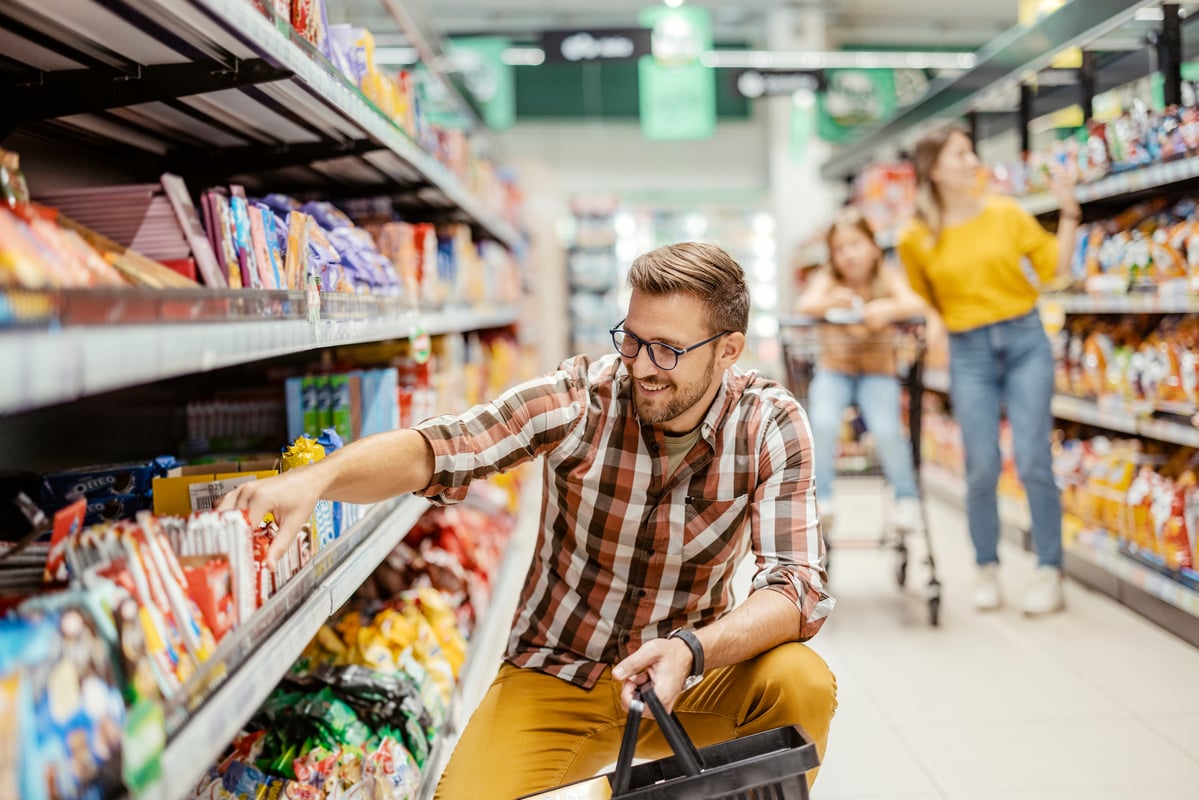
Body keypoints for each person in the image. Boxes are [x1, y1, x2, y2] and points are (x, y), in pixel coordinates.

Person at [218, 242, 837, 799]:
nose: (641, 365)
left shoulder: (768, 425)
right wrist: (316, 478)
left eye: (668, 350)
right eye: (632, 338)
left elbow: (797, 588)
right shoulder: (584, 398)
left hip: (684, 679)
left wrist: (689, 649)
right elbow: (445, 445)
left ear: (728, 350)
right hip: (556, 674)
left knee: (800, 681)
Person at [896, 127, 1080, 615]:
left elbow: (1056, 269)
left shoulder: (1005, 213)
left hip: (1025, 340)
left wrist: (1069, 211)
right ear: (935, 168)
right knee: (980, 466)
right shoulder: (915, 237)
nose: (972, 159)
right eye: (961, 153)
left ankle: (1048, 569)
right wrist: (935, 321)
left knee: (1033, 457)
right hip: (968, 350)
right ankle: (986, 566)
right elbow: (922, 294)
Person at [795, 207, 928, 537]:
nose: (847, 255)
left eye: (855, 244)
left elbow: (916, 305)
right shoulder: (828, 278)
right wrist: (831, 302)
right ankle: (822, 499)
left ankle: (905, 499)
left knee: (887, 431)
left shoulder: (887, 274)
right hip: (834, 370)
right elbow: (804, 306)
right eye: (839, 249)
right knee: (821, 425)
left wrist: (887, 308)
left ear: (872, 245)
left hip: (877, 372)